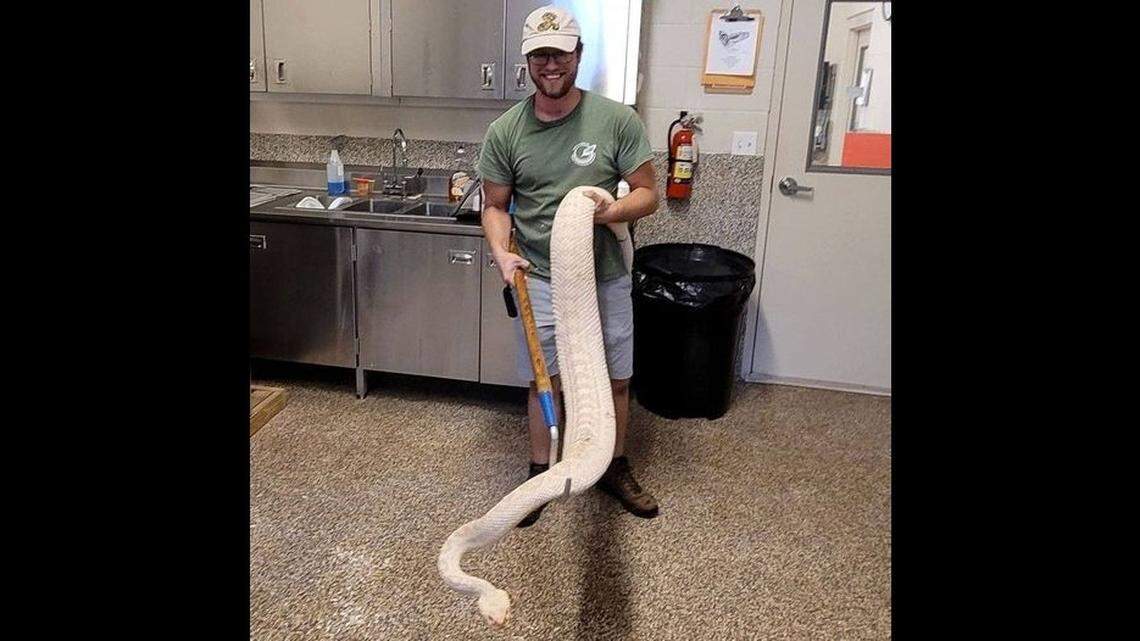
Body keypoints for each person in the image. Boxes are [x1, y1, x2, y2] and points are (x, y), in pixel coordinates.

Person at [478, 5, 660, 527]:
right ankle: (541, 471)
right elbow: (495, 206)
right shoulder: (506, 131)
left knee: (616, 377)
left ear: (578, 54)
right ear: (527, 62)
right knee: (546, 379)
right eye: (539, 55)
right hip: (539, 277)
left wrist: (607, 211)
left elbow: (647, 194)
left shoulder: (616, 120)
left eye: (560, 53)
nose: (550, 64)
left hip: (605, 274)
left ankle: (613, 466)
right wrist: (502, 253)